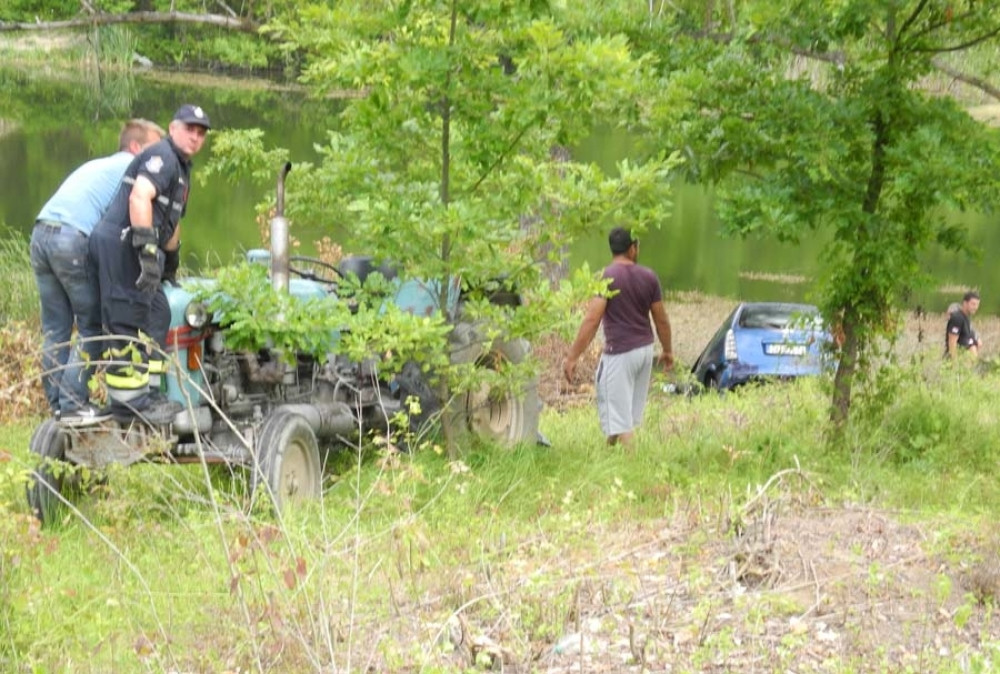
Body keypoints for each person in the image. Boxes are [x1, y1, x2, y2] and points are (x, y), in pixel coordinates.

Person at [30, 119, 165, 422]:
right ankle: (73, 404)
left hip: (41, 234)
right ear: (135, 147)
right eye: (153, 149)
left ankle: (57, 405)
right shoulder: (133, 170)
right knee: (93, 328)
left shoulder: (99, 165)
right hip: (73, 238)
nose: (158, 158)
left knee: (55, 329)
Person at [89, 104, 210, 425]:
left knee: (158, 312)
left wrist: (169, 265)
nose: (195, 137)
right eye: (189, 129)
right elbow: (139, 197)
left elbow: (172, 222)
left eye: (201, 133)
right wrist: (146, 251)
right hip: (122, 245)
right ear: (173, 128)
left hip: (140, 248)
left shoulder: (182, 170)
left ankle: (150, 395)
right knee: (126, 322)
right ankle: (127, 406)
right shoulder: (163, 156)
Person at [563, 227, 674, 446]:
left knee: (620, 418)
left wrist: (572, 356)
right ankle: (609, 451)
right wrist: (667, 350)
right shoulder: (649, 276)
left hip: (620, 353)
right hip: (644, 352)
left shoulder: (607, 277)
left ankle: (633, 464)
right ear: (632, 248)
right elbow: (661, 319)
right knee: (622, 411)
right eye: (637, 246)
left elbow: (592, 320)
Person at [945, 290, 981, 358]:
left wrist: (976, 340)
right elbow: (952, 343)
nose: (975, 307)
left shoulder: (966, 318)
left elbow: (968, 337)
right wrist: (955, 362)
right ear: (965, 303)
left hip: (966, 361)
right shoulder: (957, 318)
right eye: (973, 304)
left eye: (977, 304)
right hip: (957, 360)